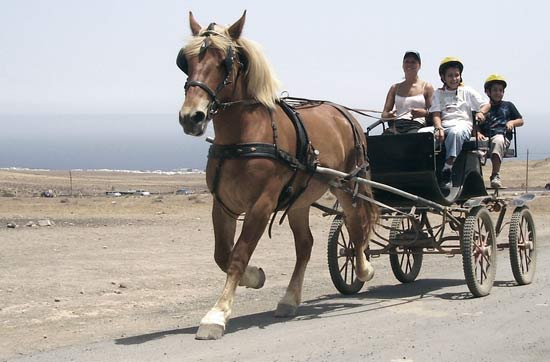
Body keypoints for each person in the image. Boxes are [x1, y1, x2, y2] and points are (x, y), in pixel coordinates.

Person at [427, 57, 490, 189]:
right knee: (422, 134)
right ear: (443, 77)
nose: (454, 78)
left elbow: (485, 104)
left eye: (457, 75)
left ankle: (447, 168)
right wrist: (438, 128)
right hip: (444, 126)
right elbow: (436, 113)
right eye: (450, 76)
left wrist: (480, 113)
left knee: (456, 133)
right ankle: (425, 172)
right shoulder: (438, 93)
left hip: (462, 125)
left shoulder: (467, 91)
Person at [477, 74, 524, 188]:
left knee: (497, 141)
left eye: (500, 90)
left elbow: (521, 120)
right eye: (495, 90)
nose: (498, 93)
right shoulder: (483, 107)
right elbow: (476, 123)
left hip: (501, 136)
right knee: (474, 146)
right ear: (488, 92)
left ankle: (495, 175)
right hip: (486, 137)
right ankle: (476, 178)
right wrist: (477, 133)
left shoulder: (508, 106)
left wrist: (512, 123)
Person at [381, 51, 434, 134]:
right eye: (407, 62)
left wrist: (424, 113)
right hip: (397, 125)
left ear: (419, 65)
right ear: (403, 65)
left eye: (413, 62)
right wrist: (389, 115)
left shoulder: (427, 87)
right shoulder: (394, 88)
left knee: (410, 139)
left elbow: (433, 113)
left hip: (417, 126)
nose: (410, 64)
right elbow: (384, 114)